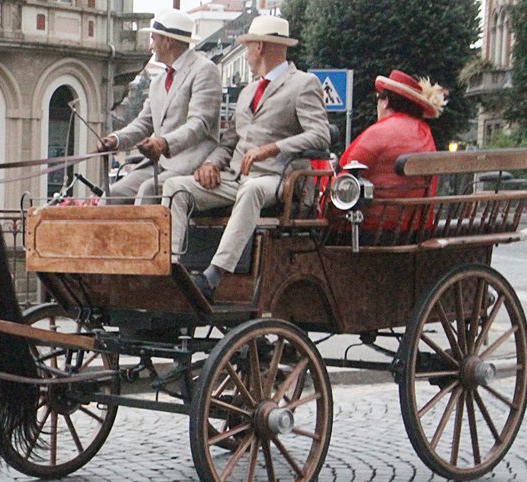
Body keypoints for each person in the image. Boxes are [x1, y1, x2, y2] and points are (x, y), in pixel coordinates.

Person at [161, 15, 329, 301]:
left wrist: (273, 148)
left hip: (279, 180)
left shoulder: (303, 84)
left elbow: (320, 135)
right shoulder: (248, 91)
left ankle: (214, 275)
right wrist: (211, 163)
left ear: (260, 47)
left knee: (251, 190)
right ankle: (173, 267)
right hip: (237, 177)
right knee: (176, 187)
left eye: (248, 47)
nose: (247, 55)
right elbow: (230, 141)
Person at [97, 9, 220, 206]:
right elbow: (144, 122)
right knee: (112, 194)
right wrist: (116, 139)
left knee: (148, 190)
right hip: (159, 164)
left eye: (154, 39)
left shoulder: (204, 70)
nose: (151, 45)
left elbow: (199, 124)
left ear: (168, 41)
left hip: (190, 164)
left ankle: (143, 237)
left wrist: (163, 143)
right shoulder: (158, 81)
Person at [335, 70, 446, 234]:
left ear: (385, 102)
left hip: (370, 229)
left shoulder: (378, 133)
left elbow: (345, 175)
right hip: (414, 230)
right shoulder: (425, 134)